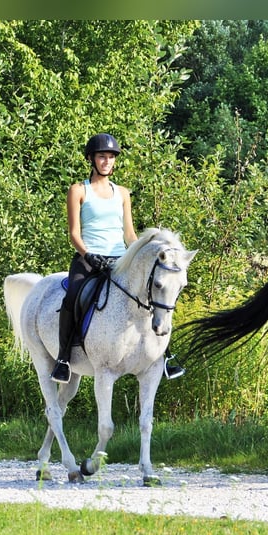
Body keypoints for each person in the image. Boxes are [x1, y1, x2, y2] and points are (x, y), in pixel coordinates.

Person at [50, 133, 185, 383]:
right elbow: (73, 233)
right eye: (102, 157)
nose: (107, 162)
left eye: (111, 157)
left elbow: (130, 233)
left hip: (119, 259)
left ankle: (165, 355)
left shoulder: (122, 193)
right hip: (88, 258)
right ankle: (63, 358)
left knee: (155, 295)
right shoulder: (79, 190)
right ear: (91, 159)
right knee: (72, 297)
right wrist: (89, 254)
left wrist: (140, 255)